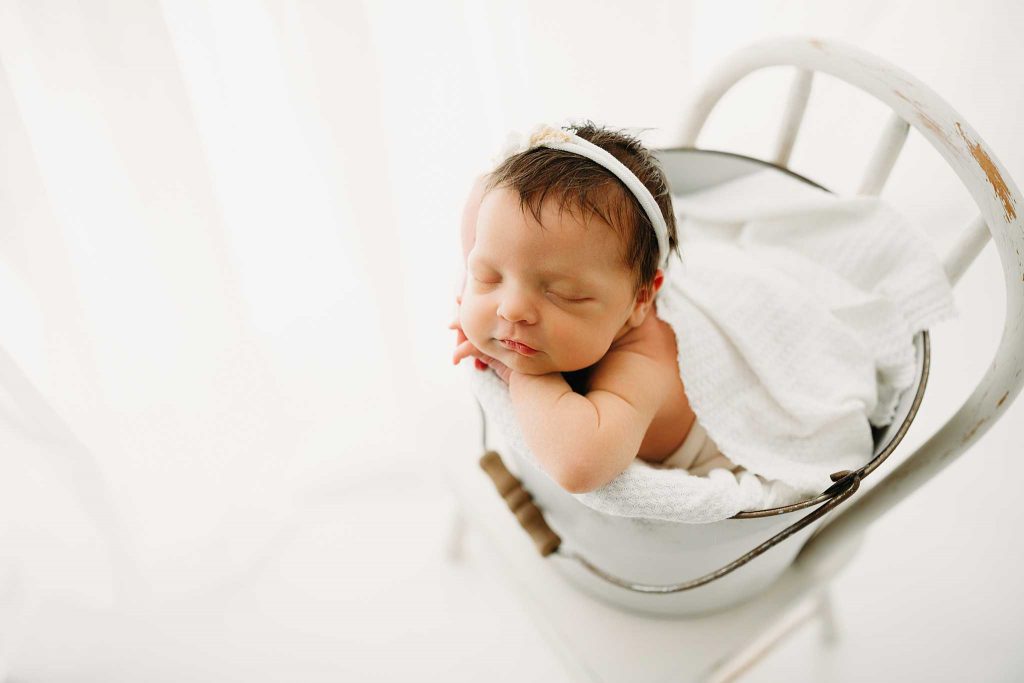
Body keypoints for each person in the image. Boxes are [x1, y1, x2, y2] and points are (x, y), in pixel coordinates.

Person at [450, 122, 738, 494]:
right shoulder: (558, 284)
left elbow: (580, 466)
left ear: (640, 300)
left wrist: (518, 375)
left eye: (565, 294)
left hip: (712, 449)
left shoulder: (645, 360)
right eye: (487, 275)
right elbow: (482, 203)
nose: (512, 309)